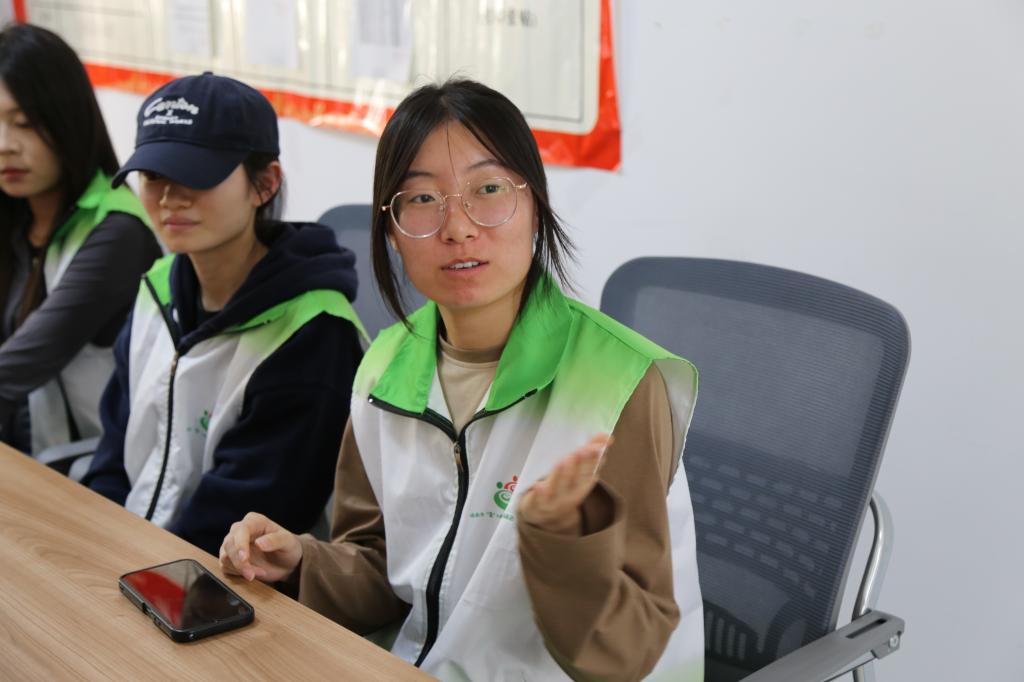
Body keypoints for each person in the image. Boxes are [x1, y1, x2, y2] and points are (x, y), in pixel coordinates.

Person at [220, 79, 704, 681]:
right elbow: (385, 569)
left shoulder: (620, 385)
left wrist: (563, 547)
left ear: (535, 205)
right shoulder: (384, 370)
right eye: (423, 198)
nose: (458, 227)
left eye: (489, 189)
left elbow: (626, 655)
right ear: (391, 228)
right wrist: (303, 562)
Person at [81, 72, 366, 556]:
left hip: (226, 580)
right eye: (153, 176)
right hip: (129, 556)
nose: (169, 198)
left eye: (196, 175)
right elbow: (113, 450)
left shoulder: (314, 333)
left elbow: (242, 520)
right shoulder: (157, 288)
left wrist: (123, 565)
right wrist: (94, 542)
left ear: (265, 184)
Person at [0, 23, 160, 454]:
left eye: (24, 123)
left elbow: (23, 362)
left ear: (67, 119)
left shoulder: (118, 231)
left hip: (89, 465)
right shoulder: (15, 214)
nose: (5, 145)